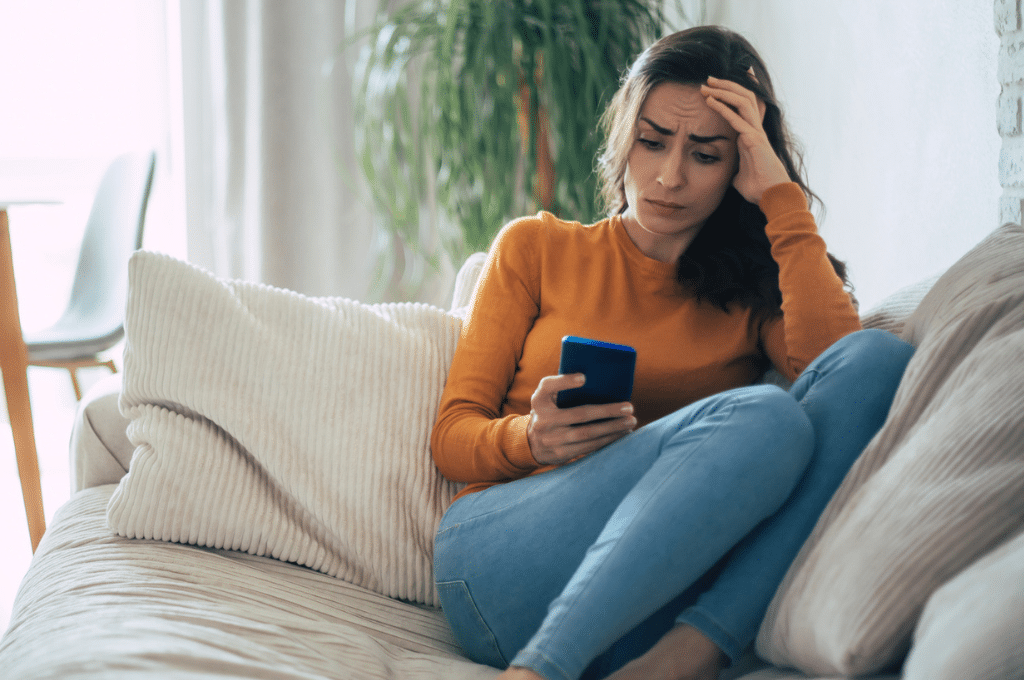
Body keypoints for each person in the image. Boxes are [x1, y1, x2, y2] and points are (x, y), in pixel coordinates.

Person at [430, 25, 915, 680]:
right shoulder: (536, 249)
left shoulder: (754, 289)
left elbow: (840, 372)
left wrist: (781, 199)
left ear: (740, 163)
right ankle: (540, 670)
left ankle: (693, 652)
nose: (668, 175)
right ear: (624, 135)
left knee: (878, 363)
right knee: (762, 416)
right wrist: (531, 440)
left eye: (706, 154)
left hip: (652, 603)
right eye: (652, 141)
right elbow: (452, 436)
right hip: (501, 565)